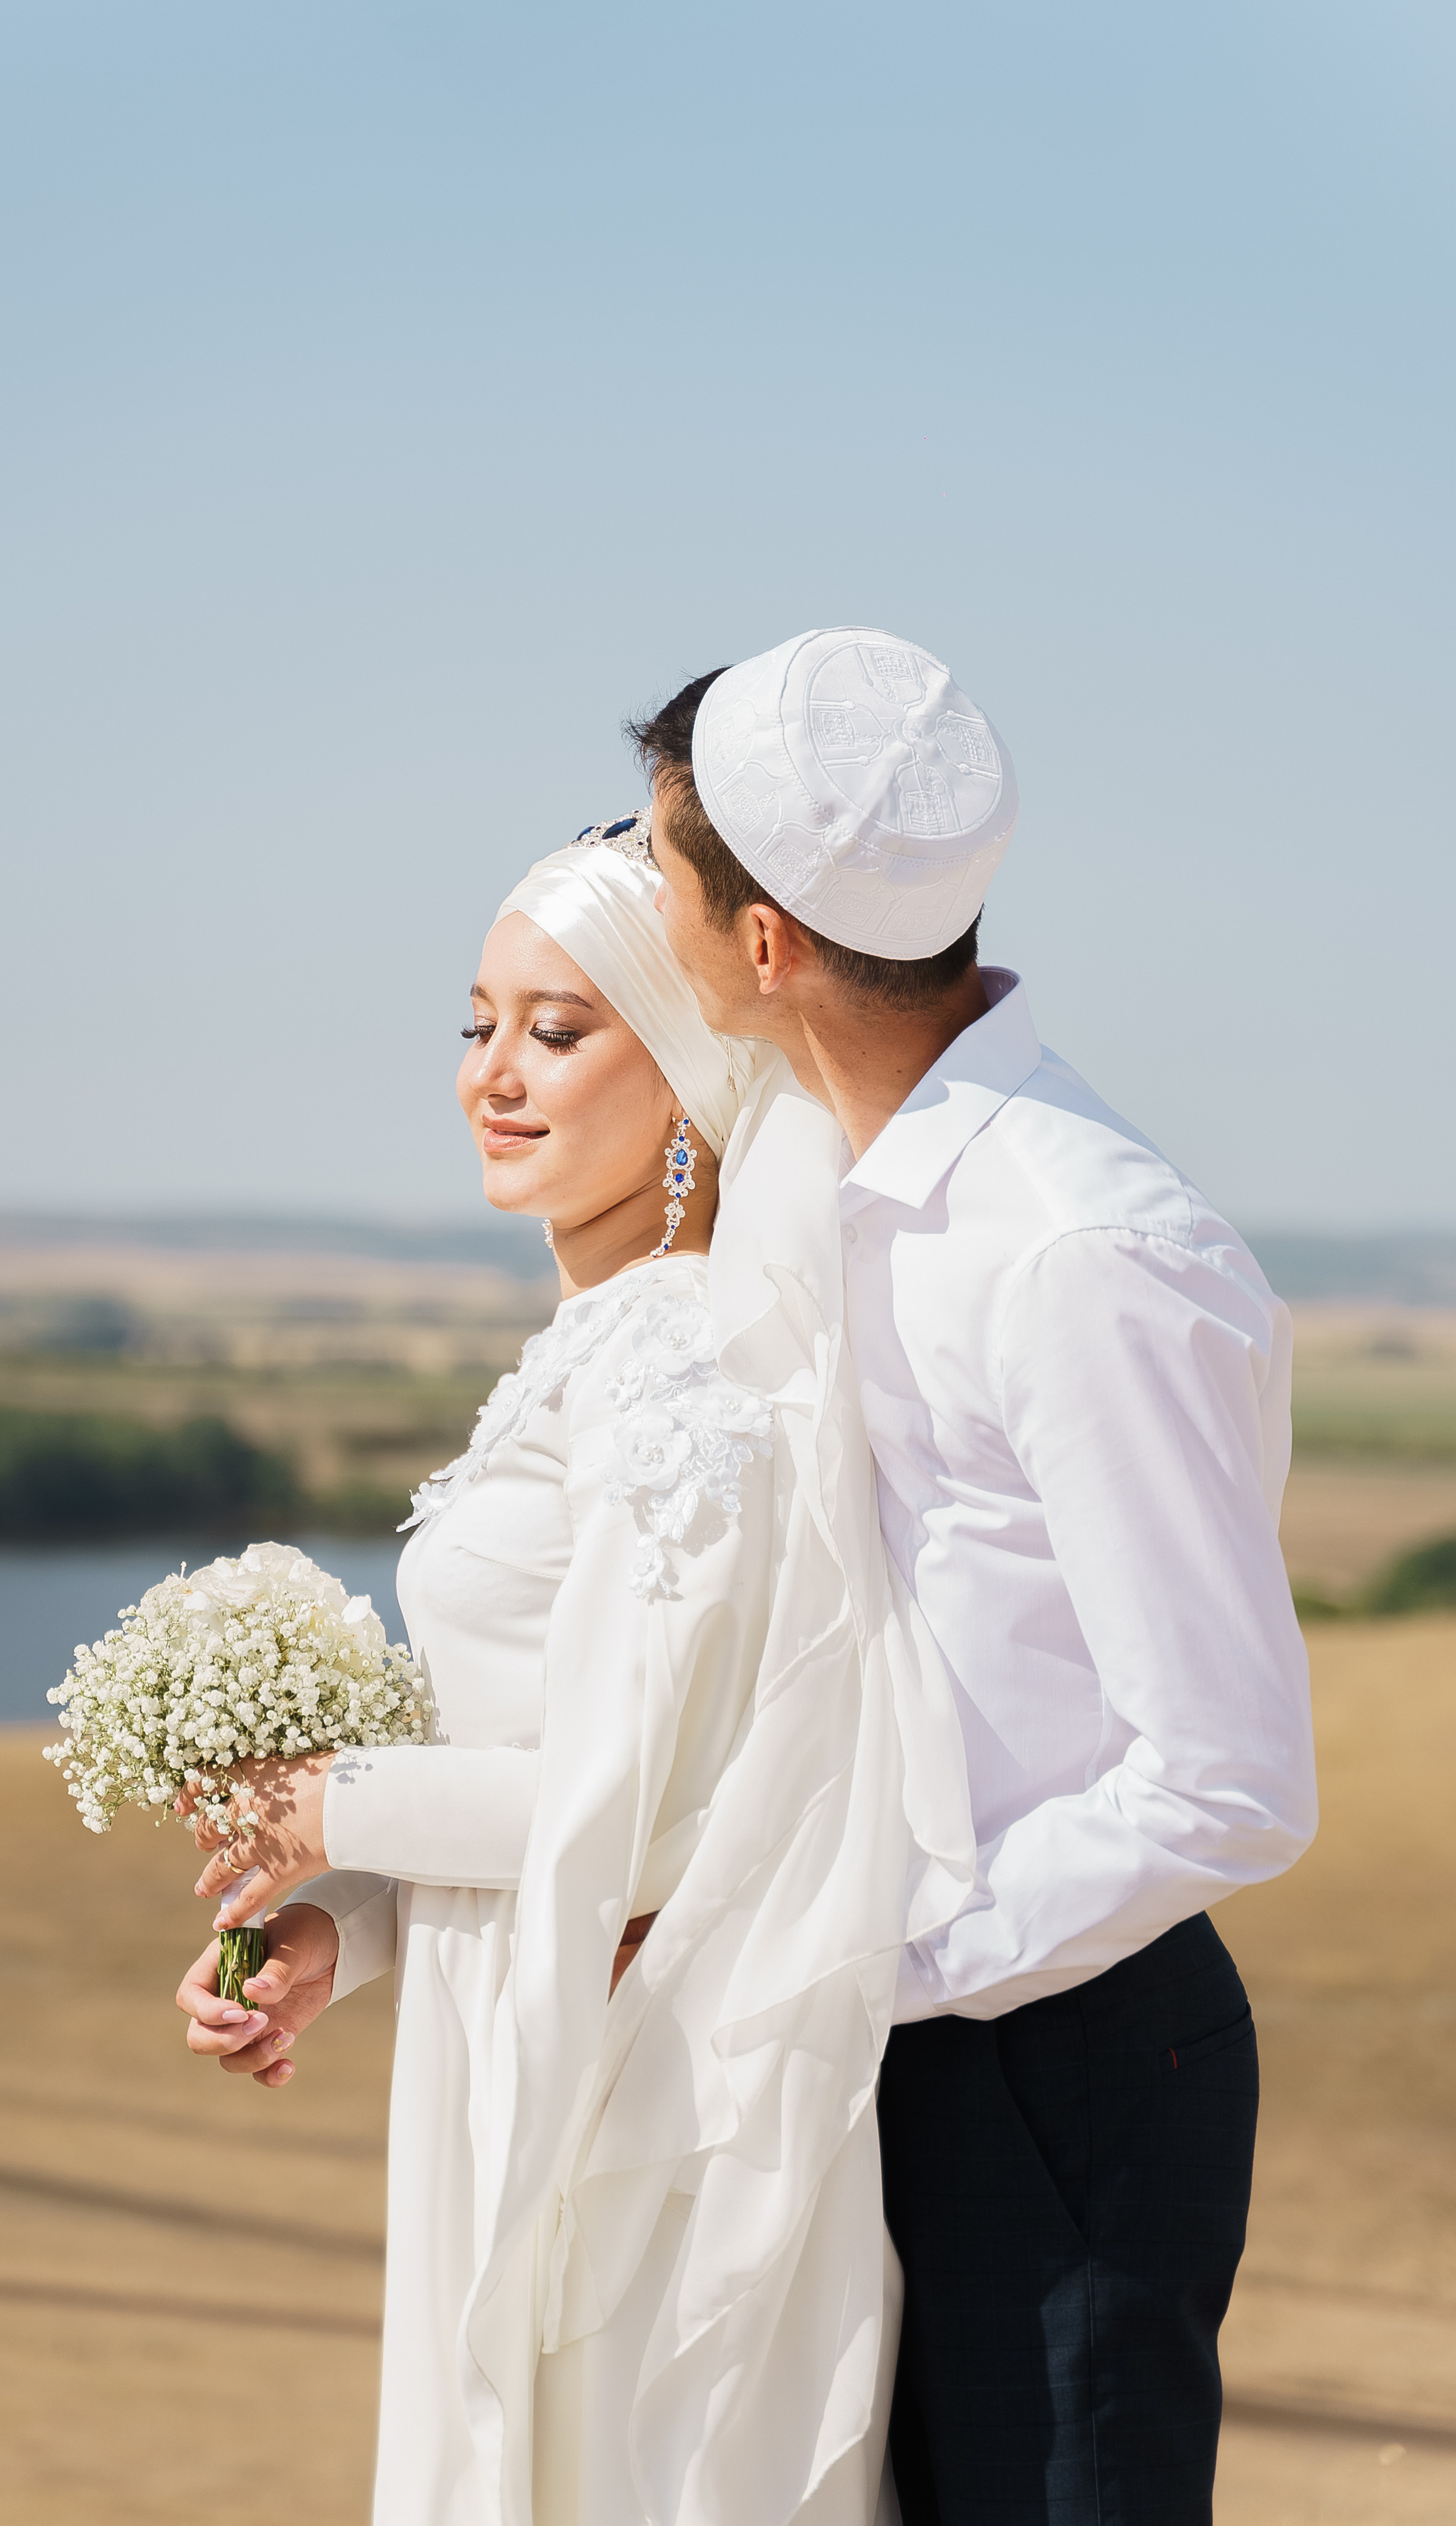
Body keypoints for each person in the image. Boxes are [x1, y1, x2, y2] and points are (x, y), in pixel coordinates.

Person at [174, 819, 979, 2526]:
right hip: (506, 2027)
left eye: (561, 1029)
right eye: (476, 1025)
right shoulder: (594, 1342)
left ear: (685, 1064)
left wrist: (329, 1800)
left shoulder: (673, 1352)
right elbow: (564, 1752)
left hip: (615, 2089)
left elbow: (675, 1817)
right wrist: (355, 1927)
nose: (495, 1076)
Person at [635, 626, 1320, 2525]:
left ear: (763, 946)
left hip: (1060, 2056)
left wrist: (872, 1962)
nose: (637, 888)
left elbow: (1231, 1782)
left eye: (657, 858)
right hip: (919, 2033)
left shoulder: (1075, 1250)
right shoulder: (845, 1171)